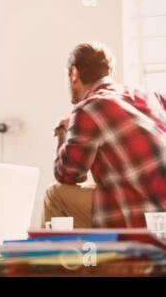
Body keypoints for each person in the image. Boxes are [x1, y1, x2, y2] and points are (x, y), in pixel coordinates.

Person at [41, 42, 166, 229]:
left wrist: (62, 132)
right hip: (159, 216)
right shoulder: (150, 95)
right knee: (101, 186)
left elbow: (68, 174)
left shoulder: (90, 107)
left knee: (56, 194)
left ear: (74, 74)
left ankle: (50, 257)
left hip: (139, 220)